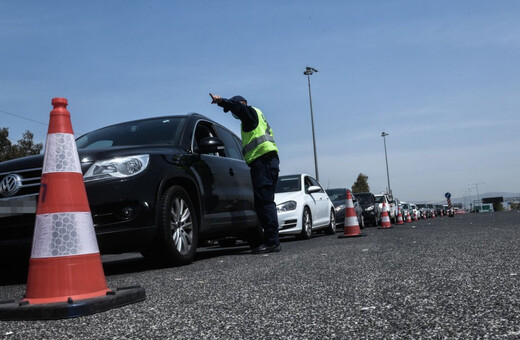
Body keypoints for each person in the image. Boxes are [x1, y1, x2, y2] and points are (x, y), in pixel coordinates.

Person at [210, 93, 281, 254]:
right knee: (263, 202)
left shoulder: (249, 113)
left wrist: (222, 102)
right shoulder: (254, 116)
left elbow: (239, 109)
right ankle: (270, 240)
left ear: (242, 104)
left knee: (265, 202)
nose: (235, 114)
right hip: (266, 162)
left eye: (236, 108)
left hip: (264, 161)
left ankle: (272, 242)